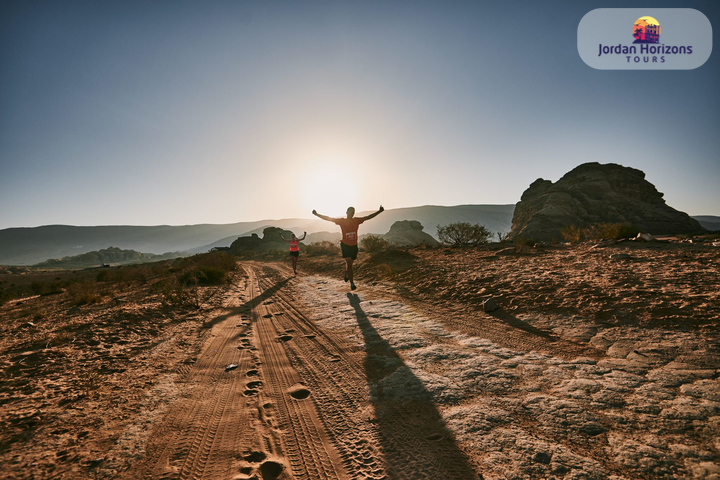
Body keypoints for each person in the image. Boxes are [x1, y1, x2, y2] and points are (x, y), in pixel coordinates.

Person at [312, 205, 384, 290]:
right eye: (350, 212)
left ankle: (346, 272)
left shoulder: (356, 220)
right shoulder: (341, 221)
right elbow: (329, 218)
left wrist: (379, 212)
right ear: (346, 213)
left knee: (350, 264)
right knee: (349, 263)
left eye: (352, 212)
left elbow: (367, 217)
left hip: (354, 246)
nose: (351, 214)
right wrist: (317, 214)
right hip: (345, 245)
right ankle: (352, 283)